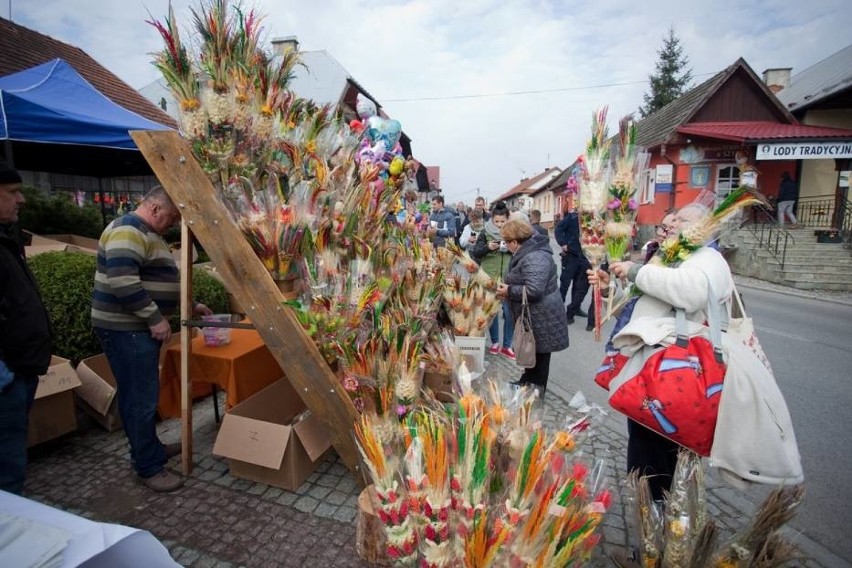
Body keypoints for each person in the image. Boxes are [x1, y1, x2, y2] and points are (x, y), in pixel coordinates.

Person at [589, 204, 734, 568]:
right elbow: (652, 303)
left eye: (679, 221)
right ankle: (653, 547)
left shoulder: (708, 258)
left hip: (676, 384)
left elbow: (689, 293)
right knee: (648, 461)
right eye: (668, 222)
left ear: (703, 226)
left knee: (663, 470)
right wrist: (616, 285)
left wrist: (637, 271)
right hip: (660, 379)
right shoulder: (676, 257)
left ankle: (665, 552)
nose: (668, 226)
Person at [92, 186, 211, 492]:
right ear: (156, 208)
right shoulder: (128, 230)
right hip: (127, 329)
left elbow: (159, 279)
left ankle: (151, 450)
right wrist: (154, 318)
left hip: (134, 328)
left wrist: (190, 303)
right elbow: (123, 280)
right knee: (139, 399)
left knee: (143, 395)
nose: (172, 224)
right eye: (171, 217)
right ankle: (148, 466)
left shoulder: (147, 233)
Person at [0, 161, 53, 495]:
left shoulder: (5, 239)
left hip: (19, 372)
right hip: (7, 380)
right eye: (12, 192)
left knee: (12, 457)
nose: (21, 200)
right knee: (7, 471)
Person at [496, 217, 568, 397]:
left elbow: (534, 290)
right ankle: (527, 382)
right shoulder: (528, 252)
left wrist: (509, 290)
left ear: (515, 241)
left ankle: (535, 392)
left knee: (540, 355)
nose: (506, 246)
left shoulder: (534, 256)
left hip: (543, 314)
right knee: (533, 352)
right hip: (536, 313)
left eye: (507, 242)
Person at [471, 202, 515, 359]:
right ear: (492, 220)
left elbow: (521, 253)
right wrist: (487, 248)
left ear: (507, 220)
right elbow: (475, 252)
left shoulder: (514, 233)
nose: (500, 225)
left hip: (508, 279)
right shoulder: (485, 232)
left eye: (503, 222)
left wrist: (511, 248)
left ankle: (507, 345)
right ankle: (495, 343)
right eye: (497, 221)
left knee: (510, 313)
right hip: (489, 278)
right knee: (492, 312)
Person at [554, 197, 589, 324]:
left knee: (578, 285)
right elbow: (558, 229)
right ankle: (558, 310)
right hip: (571, 256)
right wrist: (563, 243)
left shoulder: (592, 220)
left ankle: (575, 309)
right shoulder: (572, 217)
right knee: (565, 283)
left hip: (584, 257)